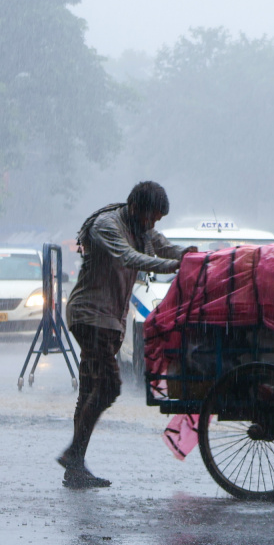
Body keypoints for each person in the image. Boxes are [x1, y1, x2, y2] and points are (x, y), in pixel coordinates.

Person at [58, 181, 197, 489]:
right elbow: (130, 258)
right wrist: (175, 265)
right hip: (90, 316)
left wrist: (190, 257)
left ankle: (75, 464)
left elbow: (164, 246)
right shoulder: (107, 226)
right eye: (153, 218)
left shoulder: (142, 228)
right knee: (109, 386)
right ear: (138, 208)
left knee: (90, 389)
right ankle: (73, 454)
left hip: (110, 320)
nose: (154, 225)